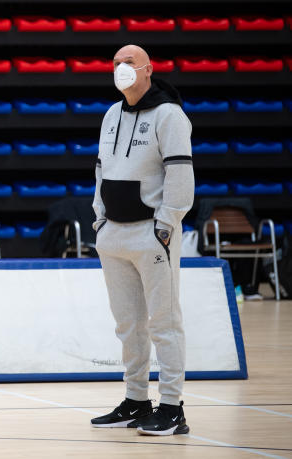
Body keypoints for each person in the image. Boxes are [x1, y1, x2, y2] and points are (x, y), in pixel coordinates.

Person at [90, 44, 194, 436]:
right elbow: (101, 171)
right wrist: (100, 220)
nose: (121, 68)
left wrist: (165, 225)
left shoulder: (170, 115)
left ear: (148, 69)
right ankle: (136, 398)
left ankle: (172, 407)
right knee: (128, 325)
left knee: (164, 323)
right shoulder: (111, 114)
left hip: (152, 233)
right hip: (113, 234)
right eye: (116, 63)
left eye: (129, 62)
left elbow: (181, 177)